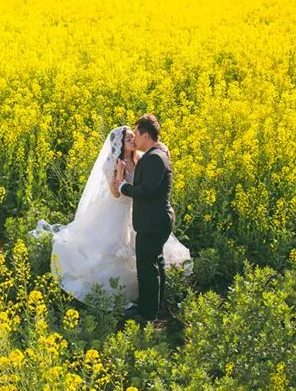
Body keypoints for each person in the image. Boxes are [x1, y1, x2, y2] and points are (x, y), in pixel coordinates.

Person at [30, 123, 190, 311]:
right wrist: (120, 172)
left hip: (140, 211)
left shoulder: (141, 158)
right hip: (119, 211)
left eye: (134, 136)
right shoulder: (111, 163)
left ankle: (150, 304)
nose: (133, 140)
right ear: (120, 144)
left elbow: (149, 176)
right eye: (128, 138)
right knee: (120, 253)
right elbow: (116, 194)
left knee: (146, 259)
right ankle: (130, 298)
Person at [113, 114, 175, 321]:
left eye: (137, 134)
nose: (135, 139)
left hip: (152, 222)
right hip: (156, 220)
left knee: (147, 268)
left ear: (145, 135)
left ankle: (147, 314)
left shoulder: (154, 158)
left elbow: (146, 190)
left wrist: (124, 187)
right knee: (156, 264)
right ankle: (155, 306)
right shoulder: (158, 152)